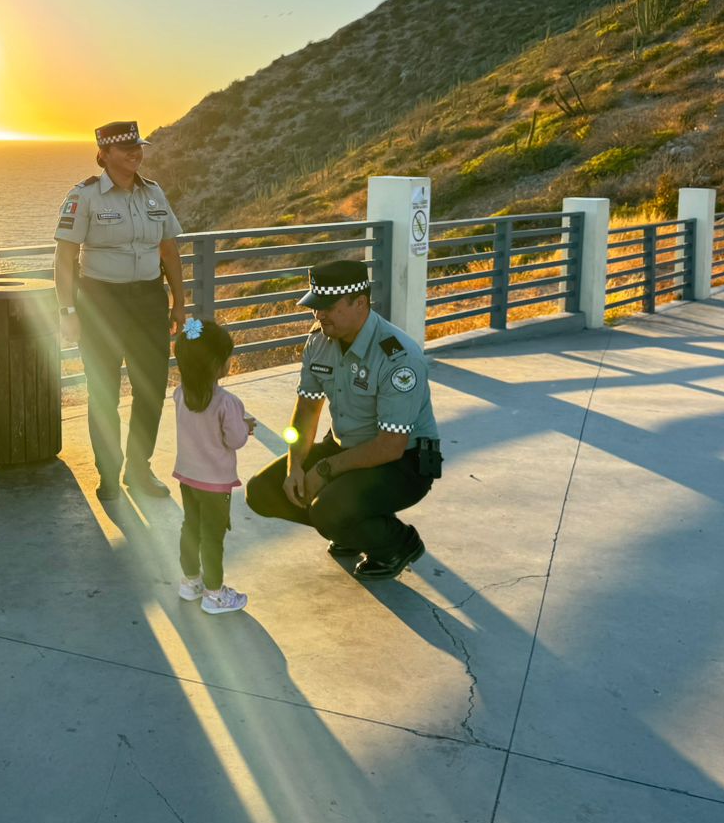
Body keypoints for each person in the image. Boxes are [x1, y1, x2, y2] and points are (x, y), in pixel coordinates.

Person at [245, 260, 441, 580]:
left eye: (327, 307)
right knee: (262, 491)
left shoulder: (397, 356)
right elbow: (308, 409)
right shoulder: (319, 340)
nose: (318, 315)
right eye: (315, 307)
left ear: (360, 303)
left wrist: (323, 470)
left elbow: (390, 446)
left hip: (404, 462)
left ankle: (397, 543)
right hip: (343, 446)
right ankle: (352, 526)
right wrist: (296, 467)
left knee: (327, 508)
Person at [54, 120, 188, 501]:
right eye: (126, 148)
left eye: (138, 146)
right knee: (103, 393)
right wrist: (67, 310)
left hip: (148, 300)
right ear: (104, 154)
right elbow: (65, 257)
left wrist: (179, 302)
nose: (136, 153)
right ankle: (109, 474)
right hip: (101, 303)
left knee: (151, 389)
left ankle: (140, 469)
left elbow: (169, 250)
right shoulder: (86, 196)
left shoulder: (154, 194)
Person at [171, 317, 255, 614]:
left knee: (190, 527)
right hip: (215, 482)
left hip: (187, 476)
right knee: (213, 536)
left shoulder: (180, 395)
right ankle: (215, 593)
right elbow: (234, 440)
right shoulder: (226, 402)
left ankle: (190, 581)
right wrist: (246, 426)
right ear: (215, 364)